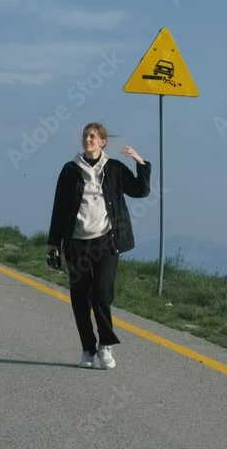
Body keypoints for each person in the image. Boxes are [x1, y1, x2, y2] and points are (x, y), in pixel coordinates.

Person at [46, 122, 152, 369]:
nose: (88, 139)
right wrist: (53, 243)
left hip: (106, 241)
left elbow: (140, 190)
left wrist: (141, 163)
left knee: (102, 294)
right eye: (85, 135)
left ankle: (105, 345)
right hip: (76, 242)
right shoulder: (70, 170)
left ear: (103, 142)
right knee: (80, 298)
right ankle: (87, 349)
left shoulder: (114, 168)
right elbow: (59, 208)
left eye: (93, 136)